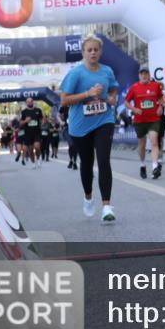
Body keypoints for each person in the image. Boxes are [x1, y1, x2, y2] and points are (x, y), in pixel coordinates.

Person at [59, 34, 120, 222]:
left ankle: (107, 207)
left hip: (103, 120)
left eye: (96, 50)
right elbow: (64, 99)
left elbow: (113, 90)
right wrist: (88, 93)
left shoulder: (107, 71)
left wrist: (111, 99)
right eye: (89, 50)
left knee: (103, 161)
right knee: (86, 164)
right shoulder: (76, 73)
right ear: (84, 53)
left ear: (100, 52)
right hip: (80, 126)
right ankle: (88, 197)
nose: (93, 53)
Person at [125, 66, 165, 179]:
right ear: (139, 76)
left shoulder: (155, 86)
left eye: (146, 73)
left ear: (149, 75)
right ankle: (142, 165)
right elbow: (126, 102)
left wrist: (160, 106)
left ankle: (155, 167)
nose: (144, 75)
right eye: (142, 73)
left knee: (154, 142)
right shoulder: (134, 87)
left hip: (153, 120)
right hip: (140, 120)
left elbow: (161, 98)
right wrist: (134, 109)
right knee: (142, 145)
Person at [19, 98, 44, 169]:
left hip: (37, 132)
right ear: (26, 103)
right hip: (28, 134)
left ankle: (39, 158)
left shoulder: (38, 110)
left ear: (33, 102)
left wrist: (42, 123)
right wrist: (25, 121)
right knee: (30, 149)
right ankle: (33, 162)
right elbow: (20, 123)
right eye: (28, 102)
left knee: (37, 146)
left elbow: (42, 118)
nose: (30, 103)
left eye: (31, 101)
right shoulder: (24, 112)